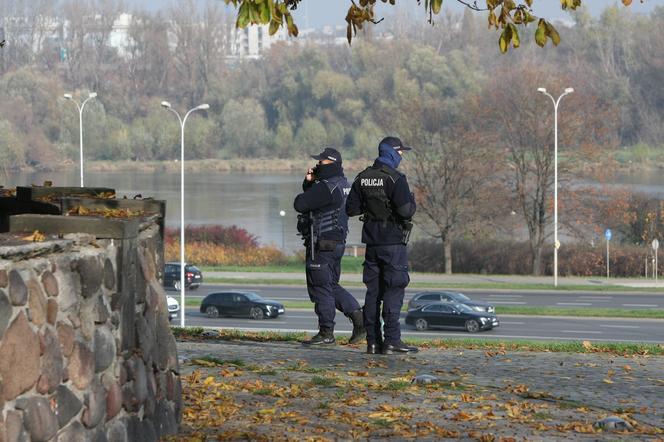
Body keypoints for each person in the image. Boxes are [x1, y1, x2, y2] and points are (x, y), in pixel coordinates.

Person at [346, 136, 418, 355]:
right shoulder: (396, 179)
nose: (402, 156)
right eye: (400, 152)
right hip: (393, 243)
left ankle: (373, 342)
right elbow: (406, 211)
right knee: (393, 290)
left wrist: (371, 206)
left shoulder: (362, 177)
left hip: (372, 243)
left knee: (373, 293)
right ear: (392, 153)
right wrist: (412, 201)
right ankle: (392, 341)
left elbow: (351, 209)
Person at [293, 147, 366, 346]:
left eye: (321, 162)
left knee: (320, 288)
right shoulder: (344, 184)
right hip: (338, 243)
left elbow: (300, 204)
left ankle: (326, 332)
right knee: (330, 285)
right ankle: (360, 319)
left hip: (322, 244)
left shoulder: (325, 187)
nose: (317, 165)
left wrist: (308, 183)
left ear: (331, 163)